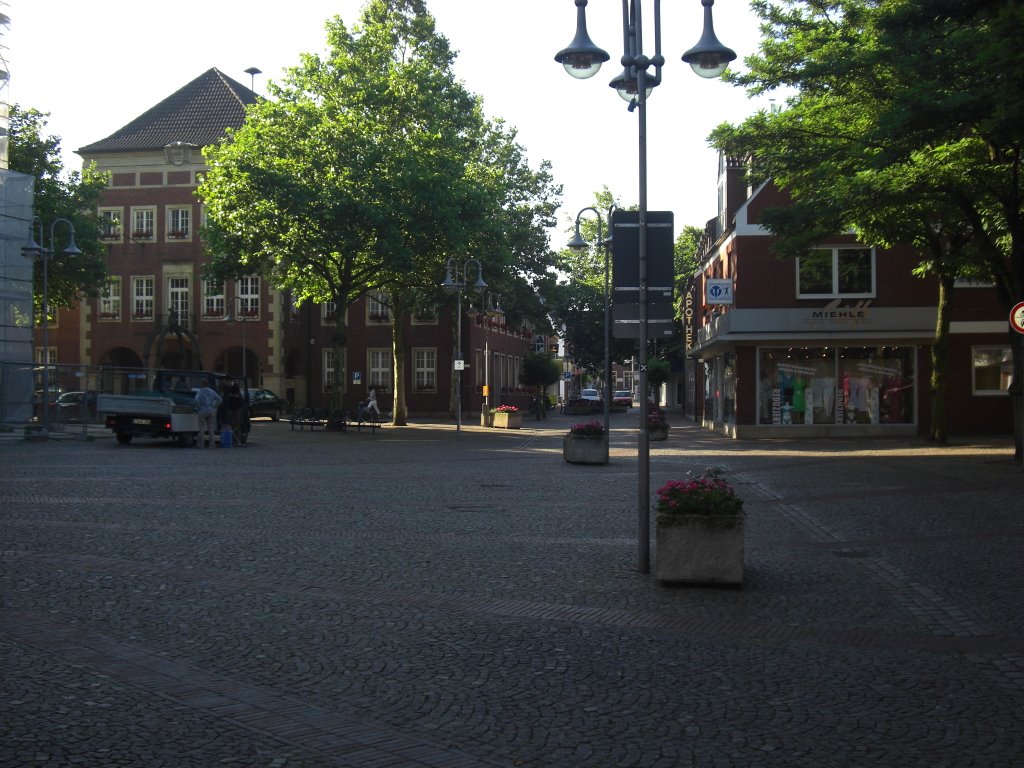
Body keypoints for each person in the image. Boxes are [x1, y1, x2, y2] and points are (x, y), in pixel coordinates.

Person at [193, 378, 222, 448]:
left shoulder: (200, 391)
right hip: (211, 410)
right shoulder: (212, 391)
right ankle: (212, 444)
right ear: (208, 384)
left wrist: (198, 407)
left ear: (202, 384)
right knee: (211, 429)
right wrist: (214, 406)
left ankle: (201, 445)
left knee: (202, 428)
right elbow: (220, 399)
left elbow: (196, 400)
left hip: (202, 410)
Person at [224, 380, 245, 446]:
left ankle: (237, 440)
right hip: (234, 410)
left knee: (235, 426)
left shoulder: (234, 389)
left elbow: (236, 399)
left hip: (235, 410)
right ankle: (236, 440)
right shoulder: (232, 390)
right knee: (235, 426)